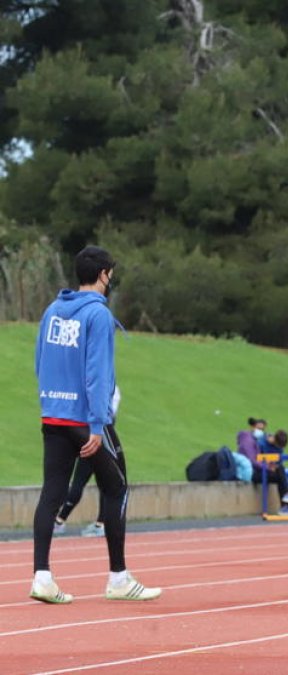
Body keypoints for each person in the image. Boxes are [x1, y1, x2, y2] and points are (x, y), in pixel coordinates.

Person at [31, 245, 160, 604]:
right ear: (104, 274)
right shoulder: (98, 316)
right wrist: (97, 424)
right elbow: (97, 373)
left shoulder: (53, 310)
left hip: (53, 414)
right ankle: (118, 577)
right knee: (117, 488)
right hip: (83, 419)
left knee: (51, 493)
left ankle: (42, 576)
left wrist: (50, 403)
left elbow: (39, 361)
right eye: (112, 272)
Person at [54, 385, 123, 538]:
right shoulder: (111, 388)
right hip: (101, 439)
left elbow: (105, 416)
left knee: (81, 481)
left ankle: (61, 521)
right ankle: (100, 523)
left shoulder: (98, 388)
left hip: (94, 438)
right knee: (102, 484)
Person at [237, 417, 288, 509]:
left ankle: (287, 503)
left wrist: (272, 466)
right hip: (253, 472)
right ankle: (286, 503)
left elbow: (277, 462)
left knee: (281, 471)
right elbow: (253, 461)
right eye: (259, 428)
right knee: (281, 472)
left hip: (264, 470)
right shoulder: (250, 442)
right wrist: (268, 466)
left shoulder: (268, 443)